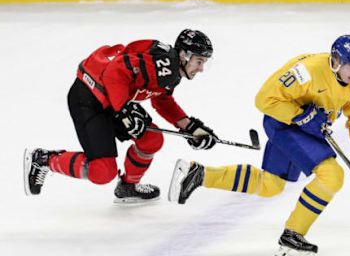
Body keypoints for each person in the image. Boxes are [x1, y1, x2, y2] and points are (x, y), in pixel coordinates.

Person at [168, 35, 350, 256]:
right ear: (336, 61)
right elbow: (264, 100)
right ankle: (292, 238)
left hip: (307, 129)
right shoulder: (306, 71)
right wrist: (301, 115)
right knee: (332, 175)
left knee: (270, 185)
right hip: (283, 123)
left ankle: (197, 174)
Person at [24, 29, 219, 203]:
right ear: (184, 56)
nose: (201, 68)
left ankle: (128, 186)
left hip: (113, 97)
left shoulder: (172, 71)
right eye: (199, 61)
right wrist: (124, 109)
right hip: (89, 98)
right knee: (102, 171)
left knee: (152, 139)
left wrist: (189, 126)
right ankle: (43, 159)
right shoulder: (165, 65)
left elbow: (161, 100)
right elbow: (114, 72)